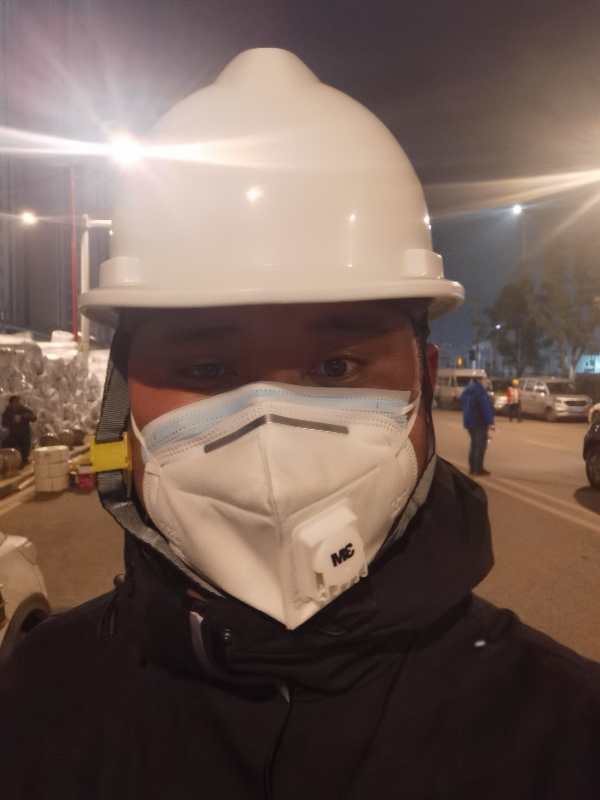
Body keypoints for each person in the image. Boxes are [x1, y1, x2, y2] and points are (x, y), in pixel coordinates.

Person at [1, 48, 599, 799]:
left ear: (424, 380)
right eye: (208, 369)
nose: (268, 431)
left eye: (335, 368)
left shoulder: (567, 738)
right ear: (120, 407)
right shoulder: (36, 700)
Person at [460, 377, 495, 476]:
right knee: (480, 446)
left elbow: (463, 403)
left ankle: (473, 469)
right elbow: (485, 408)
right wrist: (490, 422)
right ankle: (477, 469)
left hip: (470, 422)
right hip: (479, 423)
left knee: (474, 445)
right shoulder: (480, 392)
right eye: (484, 380)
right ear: (480, 380)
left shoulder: (467, 391)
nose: (486, 382)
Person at [1, 394, 37, 465]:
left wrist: (25, 417)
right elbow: (4, 423)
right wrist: (12, 419)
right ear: (11, 403)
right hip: (13, 435)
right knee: (14, 450)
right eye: (15, 402)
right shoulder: (7, 411)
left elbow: (34, 418)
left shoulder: (24, 409)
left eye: (18, 401)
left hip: (24, 434)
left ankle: (24, 461)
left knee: (25, 450)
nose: (17, 403)